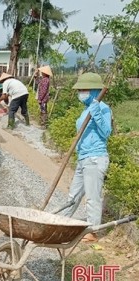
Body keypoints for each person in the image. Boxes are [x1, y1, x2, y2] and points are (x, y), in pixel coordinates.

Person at [56, 72, 111, 242]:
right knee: (73, 195)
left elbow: (106, 132)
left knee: (92, 196)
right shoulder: (86, 109)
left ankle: (92, 231)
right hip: (83, 158)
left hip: (95, 158)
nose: (81, 92)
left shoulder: (102, 108)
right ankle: (61, 223)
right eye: (80, 89)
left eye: (84, 89)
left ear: (94, 90)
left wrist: (97, 112)